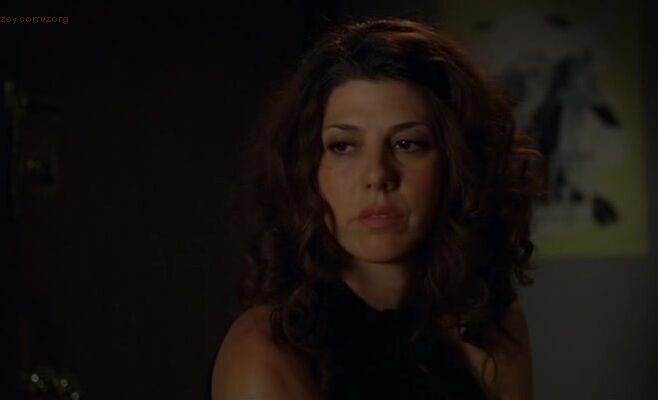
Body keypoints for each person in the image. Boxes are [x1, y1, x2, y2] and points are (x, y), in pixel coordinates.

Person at [211, 16, 545, 400]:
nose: (377, 175)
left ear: (456, 165)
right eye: (343, 146)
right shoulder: (267, 351)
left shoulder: (487, 320)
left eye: (407, 144)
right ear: (306, 169)